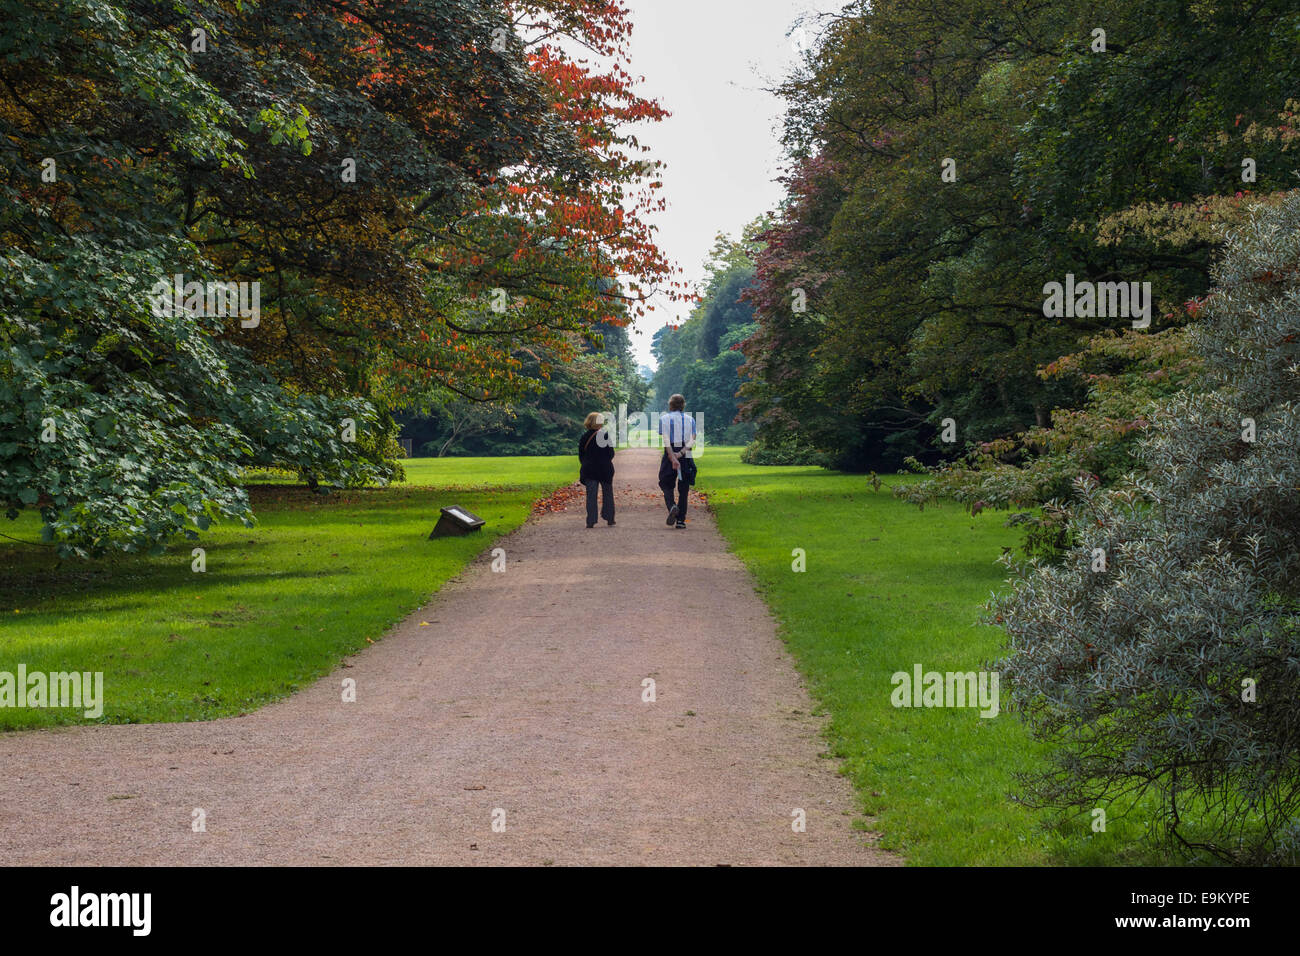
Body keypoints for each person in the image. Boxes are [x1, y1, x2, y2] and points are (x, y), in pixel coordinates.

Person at [657, 393, 696, 529]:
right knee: (683, 488)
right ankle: (681, 521)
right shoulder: (691, 419)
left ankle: (672, 506)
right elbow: (692, 440)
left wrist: (672, 457)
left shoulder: (665, 419)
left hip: (670, 453)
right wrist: (680, 454)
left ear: (671, 404)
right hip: (685, 454)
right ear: (683, 405)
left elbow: (666, 440)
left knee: (666, 483)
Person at [578, 412, 615, 528]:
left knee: (591, 496)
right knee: (608, 493)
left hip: (590, 470)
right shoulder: (604, 436)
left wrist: (586, 463)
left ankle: (591, 520)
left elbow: (581, 455)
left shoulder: (584, 437)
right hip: (605, 469)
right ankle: (609, 518)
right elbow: (611, 453)